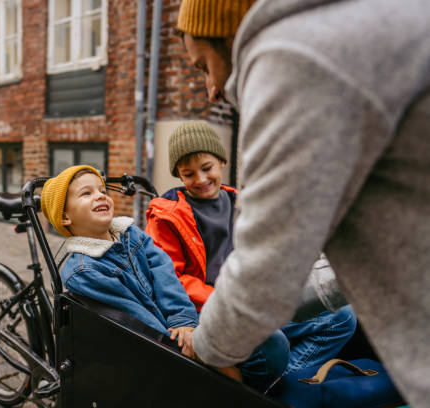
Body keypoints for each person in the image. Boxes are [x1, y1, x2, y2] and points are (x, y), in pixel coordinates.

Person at [175, 1, 430, 406]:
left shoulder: (293, 58)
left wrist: (208, 349)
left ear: (229, 35)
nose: (211, 89)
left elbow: (265, 268)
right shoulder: (359, 25)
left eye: (204, 66)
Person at [146, 120, 356, 391]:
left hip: (256, 300)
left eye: (206, 168)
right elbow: (171, 277)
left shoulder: (241, 202)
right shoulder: (167, 217)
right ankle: (264, 388)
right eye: (188, 174)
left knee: (342, 317)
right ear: (180, 176)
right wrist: (227, 300)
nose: (200, 180)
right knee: (272, 341)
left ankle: (275, 386)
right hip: (214, 311)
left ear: (221, 162)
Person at [40, 165, 199, 344]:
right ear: (65, 217)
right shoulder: (83, 271)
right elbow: (134, 317)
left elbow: (163, 270)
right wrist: (175, 345)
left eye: (102, 190)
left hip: (176, 321)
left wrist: (182, 318)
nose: (100, 196)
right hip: (155, 343)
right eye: (86, 193)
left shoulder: (131, 233)